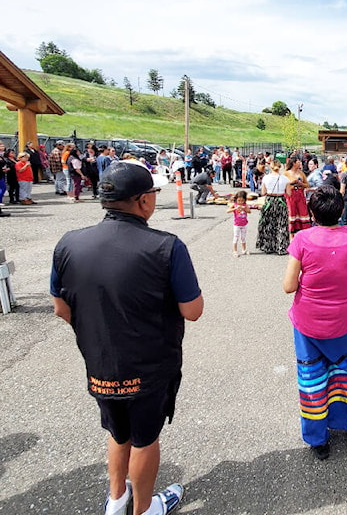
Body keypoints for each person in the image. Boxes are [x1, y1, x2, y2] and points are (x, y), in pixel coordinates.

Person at [52, 161, 202, 515]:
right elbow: (192, 310)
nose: (153, 199)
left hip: (100, 361)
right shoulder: (166, 247)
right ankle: (145, 508)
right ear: (141, 201)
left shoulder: (69, 243)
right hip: (149, 363)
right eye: (152, 193)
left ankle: (117, 499)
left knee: (118, 433)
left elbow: (61, 307)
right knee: (145, 439)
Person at [281, 185, 347, 460]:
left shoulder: (302, 240)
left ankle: (319, 439)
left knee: (313, 381)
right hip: (346, 320)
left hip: (309, 324)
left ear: (312, 213)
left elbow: (288, 286)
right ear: (341, 210)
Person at [257, 159, 291, 254]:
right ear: (280, 167)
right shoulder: (285, 179)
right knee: (281, 224)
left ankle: (268, 246)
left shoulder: (266, 178)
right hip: (280, 201)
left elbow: (263, 192)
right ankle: (281, 246)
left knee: (268, 223)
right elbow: (289, 193)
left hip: (269, 201)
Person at [284, 156, 311, 236]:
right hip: (291, 196)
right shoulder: (286, 173)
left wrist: (301, 184)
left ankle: (304, 232)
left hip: (300, 195)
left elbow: (307, 185)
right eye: (298, 162)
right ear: (293, 163)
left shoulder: (301, 173)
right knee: (292, 213)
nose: (300, 164)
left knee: (303, 212)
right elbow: (283, 185)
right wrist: (292, 182)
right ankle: (291, 233)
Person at [228, 190, 256, 257]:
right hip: (237, 224)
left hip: (244, 224)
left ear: (244, 200)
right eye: (239, 200)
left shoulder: (245, 205)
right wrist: (235, 208)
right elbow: (228, 211)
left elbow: (249, 211)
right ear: (236, 200)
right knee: (236, 237)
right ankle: (235, 251)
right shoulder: (234, 205)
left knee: (243, 238)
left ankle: (244, 250)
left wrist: (244, 208)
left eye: (242, 201)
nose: (240, 202)